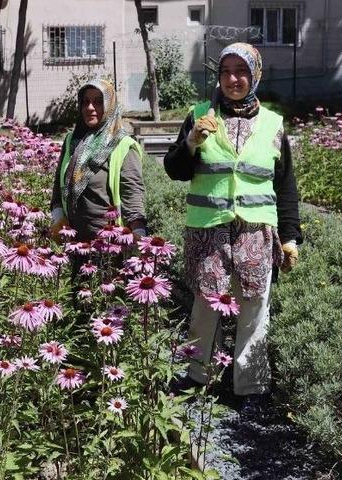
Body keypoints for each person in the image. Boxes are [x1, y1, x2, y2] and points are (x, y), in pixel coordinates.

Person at [163, 43, 302, 410]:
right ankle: (198, 377)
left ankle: (250, 387)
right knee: (206, 304)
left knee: (254, 307)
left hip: (256, 231)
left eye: (241, 71)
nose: (233, 79)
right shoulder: (200, 115)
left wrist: (290, 238)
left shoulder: (273, 124)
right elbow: (175, 170)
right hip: (209, 229)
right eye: (226, 72)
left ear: (255, 75)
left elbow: (285, 185)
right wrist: (192, 142)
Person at [50, 79, 147, 243]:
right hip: (75, 243)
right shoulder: (72, 142)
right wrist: (58, 218)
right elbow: (58, 191)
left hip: (110, 247)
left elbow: (132, 196)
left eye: (98, 102)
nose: (90, 108)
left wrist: (140, 236)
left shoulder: (123, 145)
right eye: (85, 102)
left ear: (109, 106)